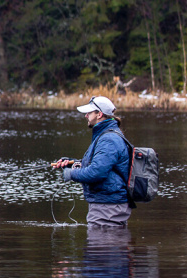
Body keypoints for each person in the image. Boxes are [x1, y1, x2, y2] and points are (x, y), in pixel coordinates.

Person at [52, 95, 132, 227]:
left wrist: (71, 174)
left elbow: (97, 172)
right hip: (106, 205)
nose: (86, 115)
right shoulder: (105, 136)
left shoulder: (109, 139)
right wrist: (72, 163)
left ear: (99, 114)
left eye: (89, 112)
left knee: (100, 245)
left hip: (107, 207)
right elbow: (99, 164)